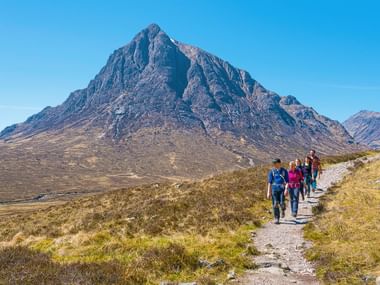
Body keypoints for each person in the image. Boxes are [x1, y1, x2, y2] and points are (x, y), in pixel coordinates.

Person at [267, 158, 289, 224]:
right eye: (273, 163)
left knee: (282, 203)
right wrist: (268, 192)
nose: (274, 164)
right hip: (274, 189)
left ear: (279, 163)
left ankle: (283, 209)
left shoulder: (284, 171)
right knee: (275, 204)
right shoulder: (272, 171)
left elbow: (287, 181)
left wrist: (286, 189)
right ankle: (277, 218)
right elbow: (269, 182)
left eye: (275, 163)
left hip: (282, 189)